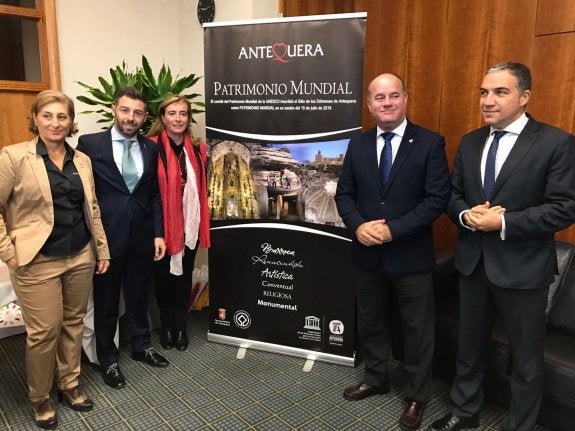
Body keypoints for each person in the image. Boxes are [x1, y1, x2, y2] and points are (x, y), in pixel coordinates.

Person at [428, 62, 575, 431]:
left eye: (499, 92)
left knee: (526, 361)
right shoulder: (471, 141)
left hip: (524, 270)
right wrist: (465, 215)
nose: (487, 100)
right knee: (469, 347)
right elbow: (453, 195)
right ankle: (465, 413)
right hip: (473, 264)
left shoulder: (556, 143)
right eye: (483, 92)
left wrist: (504, 222)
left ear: (525, 97)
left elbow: (564, 208)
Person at [335, 73, 450, 430]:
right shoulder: (358, 146)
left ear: (405, 99)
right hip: (367, 252)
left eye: (393, 95)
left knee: (417, 330)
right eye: (379, 98)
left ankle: (416, 397)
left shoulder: (429, 143)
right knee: (371, 320)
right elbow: (344, 195)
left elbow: (436, 200)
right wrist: (358, 225)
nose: (386, 103)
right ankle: (375, 377)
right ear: (369, 104)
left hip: (410, 255)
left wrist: (391, 230)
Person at [0, 90, 110, 429]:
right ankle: (40, 396)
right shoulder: (14, 156)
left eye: (62, 116)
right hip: (36, 260)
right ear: (35, 119)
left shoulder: (82, 161)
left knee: (73, 323)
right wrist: (8, 251)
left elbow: (91, 208)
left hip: (79, 254)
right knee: (43, 331)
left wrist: (101, 249)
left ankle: (69, 383)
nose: (55, 123)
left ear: (71, 121)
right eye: (47, 115)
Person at [76, 86, 169, 390]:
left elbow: (153, 194)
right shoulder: (89, 145)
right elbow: (83, 194)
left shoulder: (150, 148)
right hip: (107, 241)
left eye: (138, 113)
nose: (131, 118)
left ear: (144, 117)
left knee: (139, 297)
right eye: (126, 110)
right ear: (114, 109)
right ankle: (109, 360)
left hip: (142, 239)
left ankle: (142, 347)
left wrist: (158, 233)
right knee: (105, 305)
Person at [147, 95, 210, 351]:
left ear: (188, 118)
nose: (177, 119)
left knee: (183, 277)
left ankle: (180, 328)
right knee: (163, 279)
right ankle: (167, 326)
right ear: (162, 117)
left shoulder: (197, 148)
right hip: (162, 227)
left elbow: (203, 188)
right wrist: (156, 230)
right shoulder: (150, 147)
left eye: (183, 114)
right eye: (172, 113)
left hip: (189, 227)